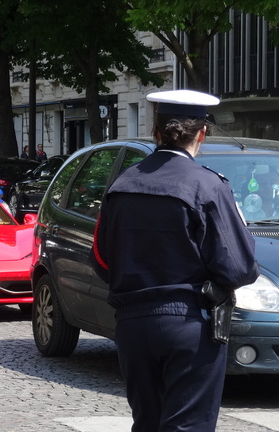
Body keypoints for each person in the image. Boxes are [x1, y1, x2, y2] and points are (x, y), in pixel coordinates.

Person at [91, 89, 259, 432]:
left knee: (148, 424)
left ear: (156, 129)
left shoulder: (122, 184)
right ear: (203, 132)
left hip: (132, 323)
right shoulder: (207, 186)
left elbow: (101, 259)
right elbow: (240, 267)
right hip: (189, 322)